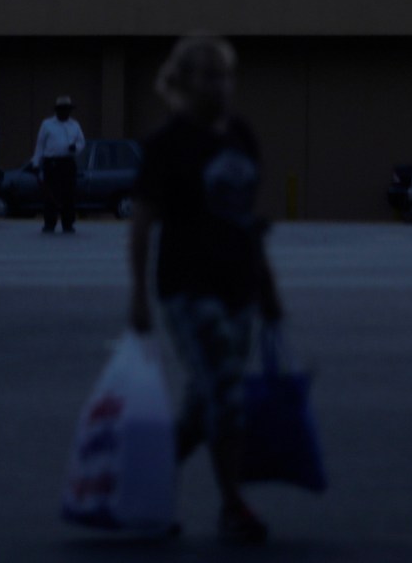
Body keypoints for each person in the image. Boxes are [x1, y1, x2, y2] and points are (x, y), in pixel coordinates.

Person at [127, 35, 284, 545]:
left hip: (238, 286)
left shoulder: (241, 135)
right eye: (211, 76)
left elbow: (246, 220)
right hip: (187, 289)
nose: (222, 86)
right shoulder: (166, 145)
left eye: (227, 75)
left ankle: (143, 488)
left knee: (203, 405)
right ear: (186, 82)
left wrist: (267, 287)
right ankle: (233, 506)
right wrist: (137, 295)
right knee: (226, 394)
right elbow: (143, 223)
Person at [32, 95, 85, 233]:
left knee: (69, 194)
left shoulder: (75, 125)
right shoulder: (47, 124)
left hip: (68, 162)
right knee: (51, 194)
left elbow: (81, 142)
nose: (64, 112)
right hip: (52, 163)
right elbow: (40, 145)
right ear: (57, 111)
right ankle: (49, 223)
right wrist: (36, 163)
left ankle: (68, 223)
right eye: (62, 110)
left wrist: (76, 148)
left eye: (67, 110)